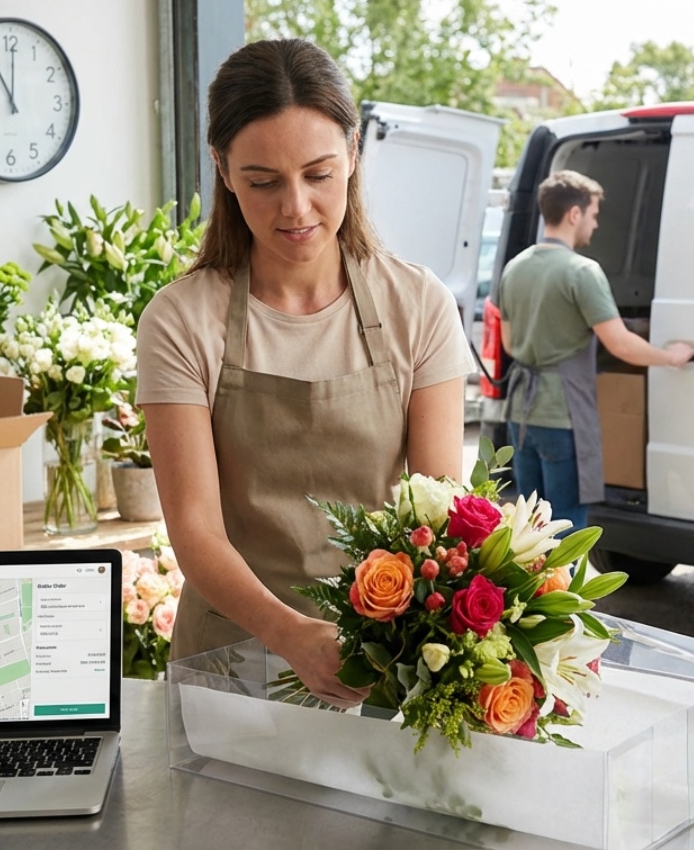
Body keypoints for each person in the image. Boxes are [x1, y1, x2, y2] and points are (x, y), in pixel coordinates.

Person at [136, 39, 471, 708]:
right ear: (223, 170)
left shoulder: (418, 303)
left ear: (353, 154)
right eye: (263, 181)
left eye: (318, 174)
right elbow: (195, 528)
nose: (295, 207)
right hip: (228, 660)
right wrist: (291, 636)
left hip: (378, 657)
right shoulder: (180, 319)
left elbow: (439, 508)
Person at [497, 170, 693, 530]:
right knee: (566, 528)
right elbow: (619, 344)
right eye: (594, 214)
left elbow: (509, 344)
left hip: (521, 414)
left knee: (529, 532)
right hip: (563, 416)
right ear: (574, 214)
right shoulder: (582, 272)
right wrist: (671, 357)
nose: (596, 224)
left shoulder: (514, 267)